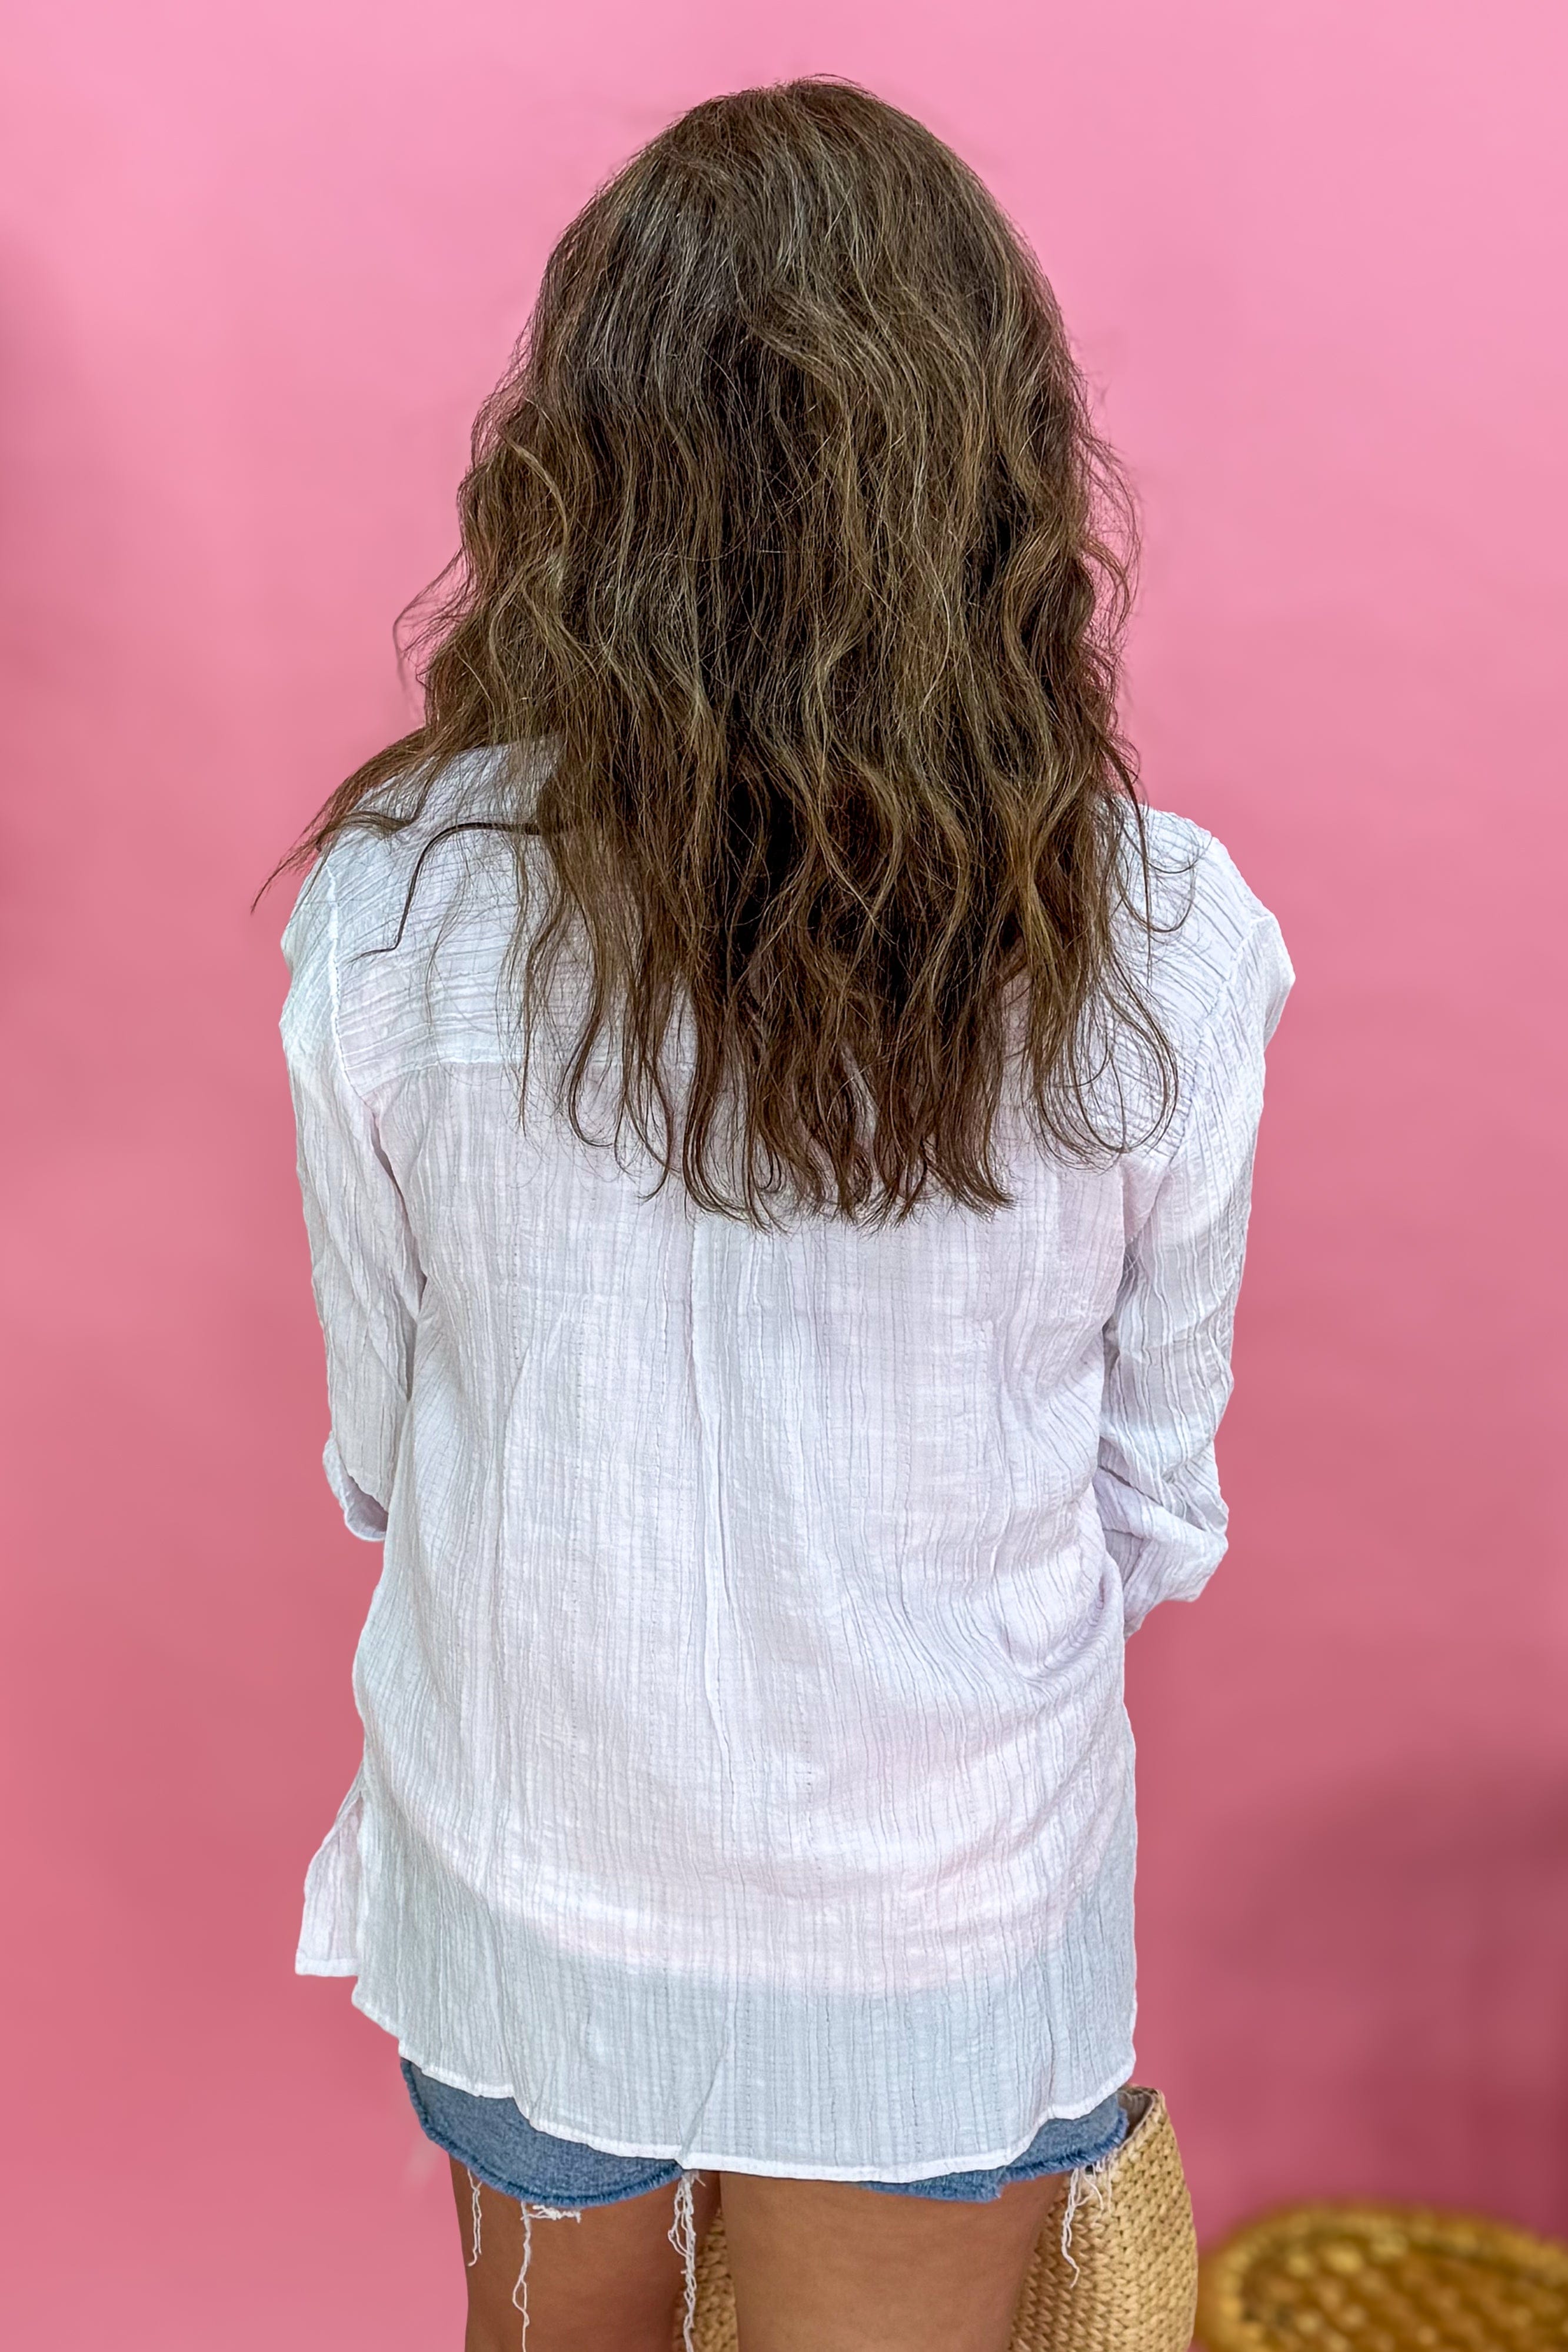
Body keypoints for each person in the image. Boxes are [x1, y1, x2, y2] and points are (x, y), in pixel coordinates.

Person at [277, 76, 1291, 2352]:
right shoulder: (1162, 944)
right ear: (997, 469)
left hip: (533, 1856)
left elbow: (381, 1439)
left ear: (580, 469)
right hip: (938, 1917)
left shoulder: (400, 917)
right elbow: (1157, 1493)